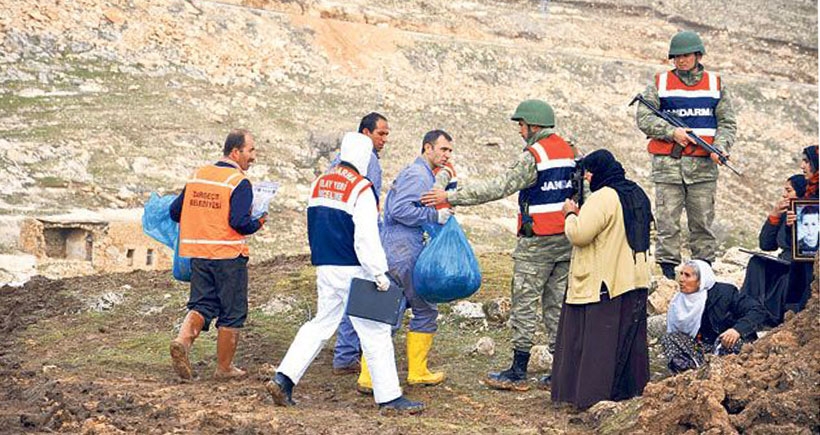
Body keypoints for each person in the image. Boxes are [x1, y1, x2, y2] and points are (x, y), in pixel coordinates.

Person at [422, 99, 575, 391]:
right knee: (557, 306)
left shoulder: (534, 155)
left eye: (521, 125)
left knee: (525, 305)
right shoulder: (568, 151)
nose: (519, 130)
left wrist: (450, 197)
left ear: (533, 125)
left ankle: (518, 370)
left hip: (537, 243)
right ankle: (561, 371)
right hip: (566, 240)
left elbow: (499, 186)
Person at [265, 132, 423, 414]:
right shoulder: (361, 188)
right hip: (355, 270)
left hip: (326, 267)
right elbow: (366, 238)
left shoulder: (319, 183)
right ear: (363, 157)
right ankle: (389, 398)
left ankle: (284, 378)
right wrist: (379, 274)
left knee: (320, 324)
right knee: (376, 332)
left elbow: (313, 225)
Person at [550, 149, 652, 409]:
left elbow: (580, 235)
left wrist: (570, 213)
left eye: (587, 174)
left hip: (604, 282)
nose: (586, 179)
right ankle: (628, 393)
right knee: (627, 342)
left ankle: (590, 396)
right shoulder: (637, 192)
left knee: (598, 344)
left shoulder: (604, 197)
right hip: (634, 279)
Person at [356, 130, 454, 395]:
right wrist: (435, 215)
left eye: (449, 151)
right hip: (404, 251)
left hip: (395, 249)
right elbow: (399, 210)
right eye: (443, 149)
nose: (446, 155)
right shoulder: (417, 174)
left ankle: (368, 376)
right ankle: (417, 372)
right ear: (427, 148)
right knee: (423, 308)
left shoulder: (420, 173)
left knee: (383, 311)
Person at [636, 30, 737, 279]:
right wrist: (672, 132)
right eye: (676, 57)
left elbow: (727, 122)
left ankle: (702, 270)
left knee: (702, 222)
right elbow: (644, 117)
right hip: (669, 165)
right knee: (667, 222)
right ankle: (669, 272)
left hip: (703, 167)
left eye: (686, 55)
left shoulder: (715, 84)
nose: (681, 61)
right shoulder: (660, 83)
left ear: (698, 55)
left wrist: (721, 147)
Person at [168, 129, 266, 380]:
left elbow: (175, 211)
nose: (253, 156)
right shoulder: (238, 182)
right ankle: (224, 368)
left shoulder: (198, 175)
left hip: (199, 254)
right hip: (228, 256)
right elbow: (239, 223)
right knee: (232, 312)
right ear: (236, 151)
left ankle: (183, 341)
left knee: (202, 304)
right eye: (250, 150)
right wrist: (259, 221)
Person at [331, 112, 391, 376]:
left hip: (334, 240)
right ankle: (347, 355)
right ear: (365, 134)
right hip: (355, 240)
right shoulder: (368, 163)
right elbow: (369, 206)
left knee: (336, 300)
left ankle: (344, 352)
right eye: (381, 133)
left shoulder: (337, 164)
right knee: (360, 293)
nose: (385, 139)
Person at [662, 260, 767, 374]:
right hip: (702, 348)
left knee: (730, 342)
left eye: (687, 275)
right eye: (681, 274)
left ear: (701, 280)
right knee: (669, 338)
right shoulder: (679, 301)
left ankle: (722, 372)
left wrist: (737, 330)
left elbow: (757, 311)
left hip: (726, 344)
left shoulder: (725, 293)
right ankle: (691, 374)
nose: (681, 280)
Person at [739, 174, 806, 325]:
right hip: (784, 259)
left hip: (800, 263)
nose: (784, 194)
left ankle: (772, 317)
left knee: (786, 278)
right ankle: (748, 309)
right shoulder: (785, 213)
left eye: (789, 191)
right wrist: (774, 216)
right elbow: (767, 245)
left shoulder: (811, 213)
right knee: (756, 263)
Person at [782, 145, 818, 313]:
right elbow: (792, 243)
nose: (802, 166)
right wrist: (793, 226)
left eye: (807, 161)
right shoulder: (808, 195)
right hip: (806, 261)